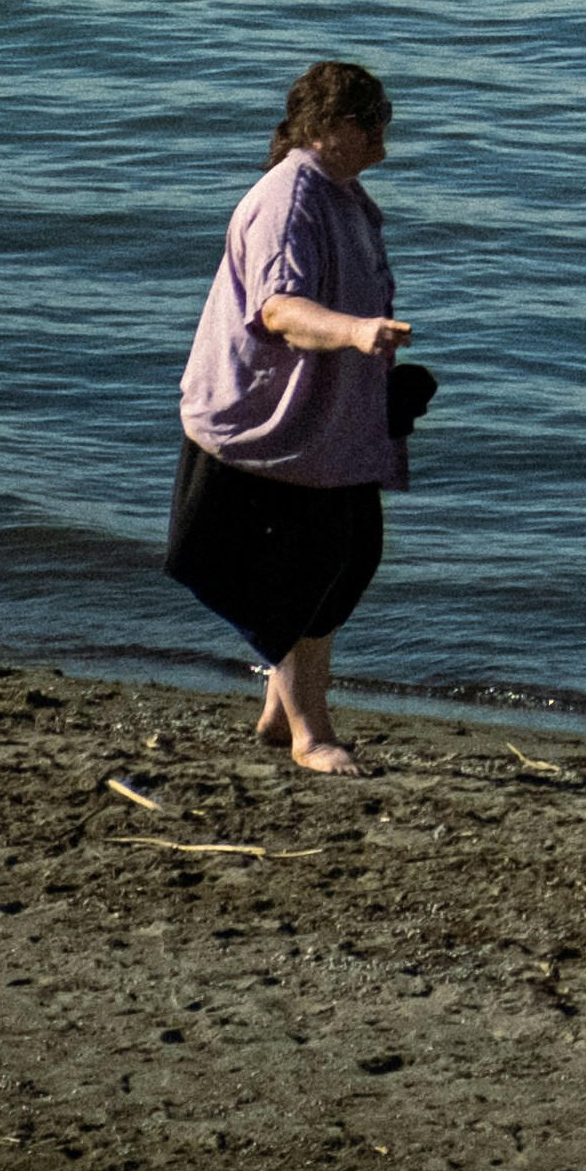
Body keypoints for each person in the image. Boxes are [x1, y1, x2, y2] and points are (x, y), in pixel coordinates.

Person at [169, 57, 414, 773]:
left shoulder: (342, 193)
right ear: (329, 127)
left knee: (344, 562)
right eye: (370, 126)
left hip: (322, 429)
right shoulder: (288, 200)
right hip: (264, 432)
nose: (382, 142)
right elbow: (279, 309)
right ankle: (312, 734)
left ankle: (282, 714)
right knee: (301, 575)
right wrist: (356, 332)